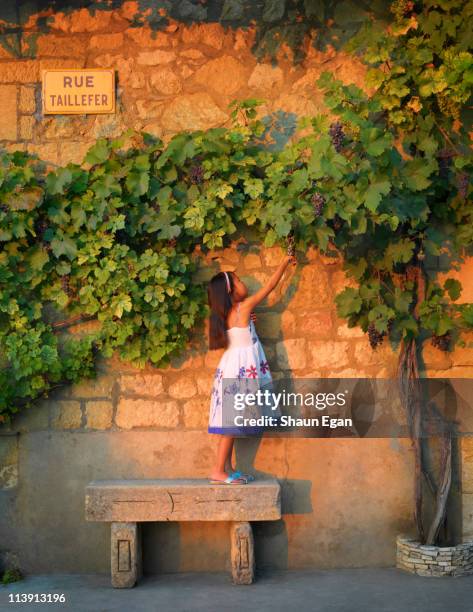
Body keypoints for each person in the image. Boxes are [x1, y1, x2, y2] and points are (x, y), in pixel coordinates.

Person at [206, 254, 296, 484]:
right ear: (231, 291)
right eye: (238, 280)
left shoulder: (227, 315)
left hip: (231, 368)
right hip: (242, 371)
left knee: (231, 421)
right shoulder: (244, 308)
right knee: (231, 425)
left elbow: (241, 330)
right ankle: (218, 470)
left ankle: (227, 468)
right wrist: (284, 262)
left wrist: (250, 321)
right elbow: (270, 286)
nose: (243, 283)